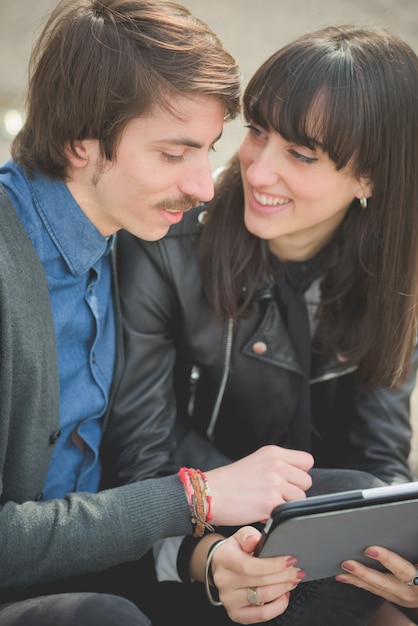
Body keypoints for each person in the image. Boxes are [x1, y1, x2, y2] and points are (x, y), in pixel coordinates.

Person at [0, 0, 326, 624]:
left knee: (324, 524)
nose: (205, 186)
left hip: (118, 561)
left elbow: (127, 464)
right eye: (174, 155)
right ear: (80, 144)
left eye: (208, 150)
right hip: (45, 591)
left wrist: (200, 556)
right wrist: (195, 498)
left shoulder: (127, 226)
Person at [113, 24, 418, 626]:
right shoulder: (165, 248)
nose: (255, 170)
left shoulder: (394, 277)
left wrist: (399, 569)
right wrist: (212, 553)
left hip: (314, 552)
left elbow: (381, 462)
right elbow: (138, 460)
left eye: (300, 154)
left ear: (370, 180)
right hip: (191, 547)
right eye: (257, 131)